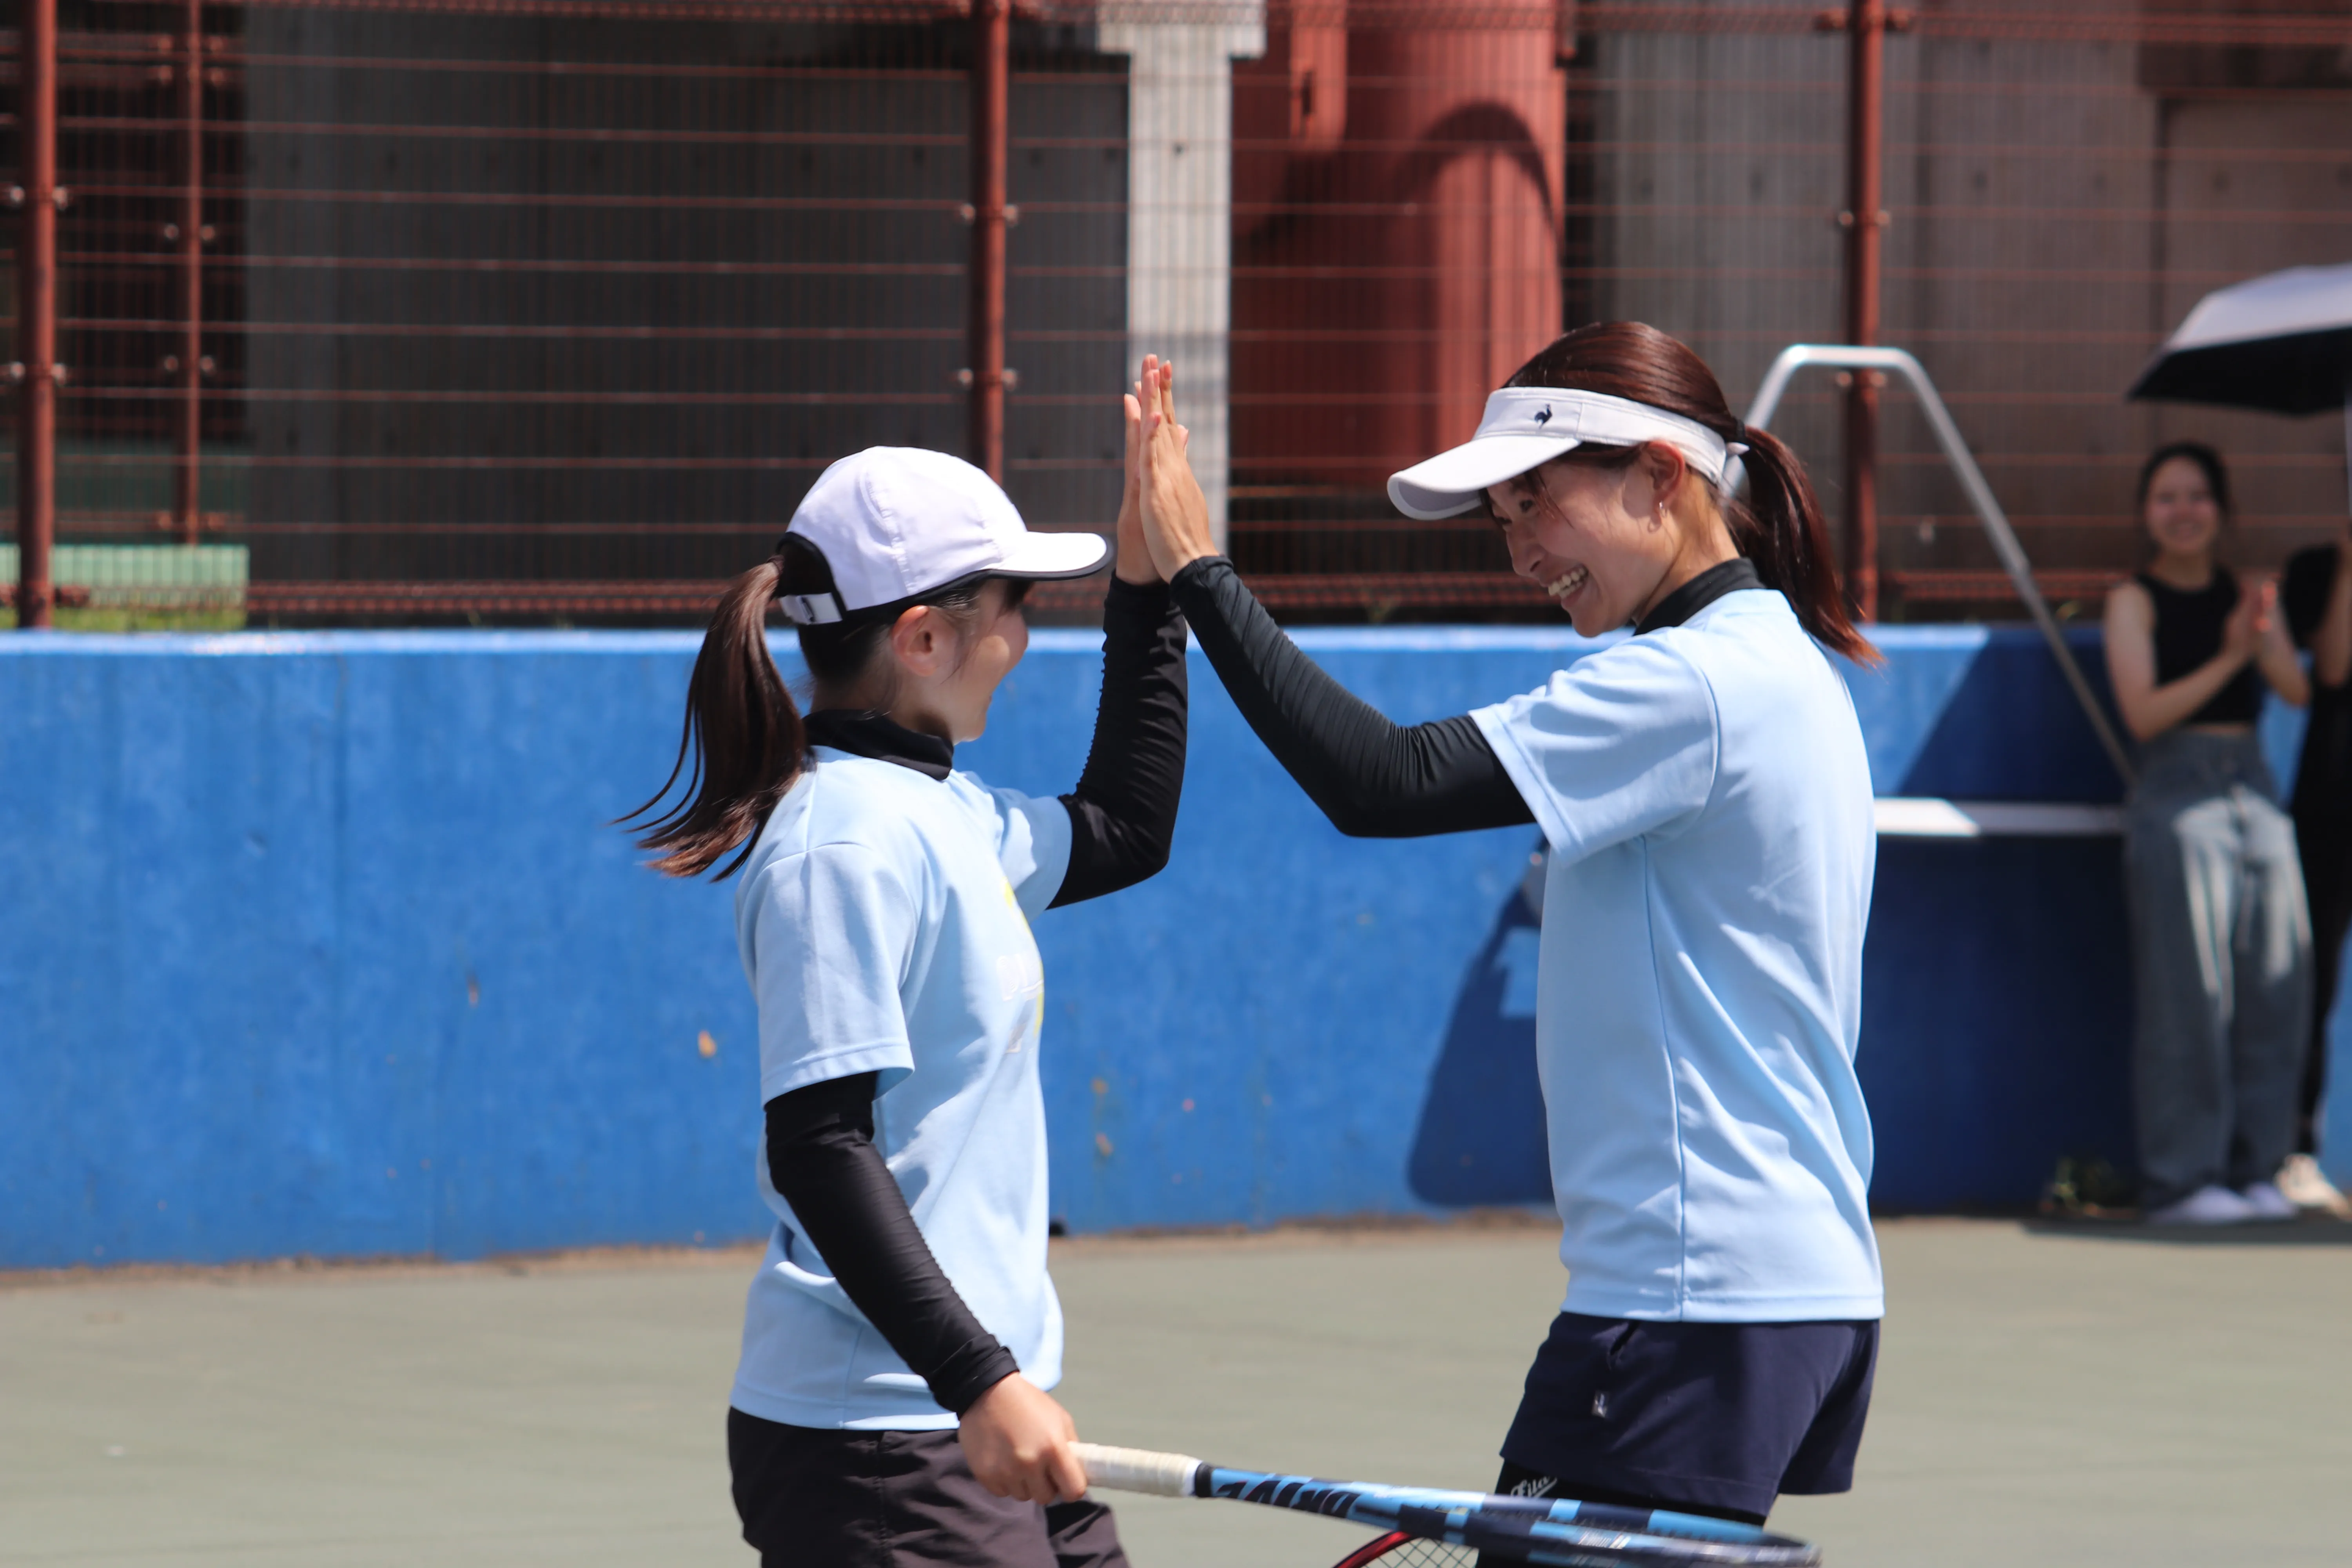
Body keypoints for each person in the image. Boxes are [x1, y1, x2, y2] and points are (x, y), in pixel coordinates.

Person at [1134, 321, 1882, 1530]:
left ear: (1660, 476)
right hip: (1764, 1293)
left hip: (1692, 1302)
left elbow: (1378, 780)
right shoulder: (1775, 667)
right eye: (1505, 523)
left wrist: (1197, 571)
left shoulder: (1689, 683)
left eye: (1538, 502)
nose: (1524, 550)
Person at [626, 377, 1189, 1567]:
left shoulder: (946, 812)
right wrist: (980, 1382)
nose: (1024, 638)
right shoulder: (842, 844)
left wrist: (1149, 584)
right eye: (1015, 608)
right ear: (924, 637)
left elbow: (1129, 830)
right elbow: (821, 1145)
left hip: (974, 1410)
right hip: (885, 1443)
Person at [2101, 440, 2313, 1227]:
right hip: (2177, 797)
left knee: (2275, 982)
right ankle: (2184, 1179)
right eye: (2167, 497)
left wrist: (2263, 635)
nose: (2184, 511)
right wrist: (2230, 655)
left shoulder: (2251, 594)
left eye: (2198, 496)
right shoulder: (2134, 598)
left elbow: (2294, 689)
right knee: (2189, 993)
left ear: (2222, 509)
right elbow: (2144, 712)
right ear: (2147, 513)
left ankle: (2258, 1167)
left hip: (2256, 793)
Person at [2278, 520, 2352, 1215]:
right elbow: (2330, 668)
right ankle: (2298, 1150)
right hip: (2330, 807)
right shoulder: (2317, 569)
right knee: (2314, 981)